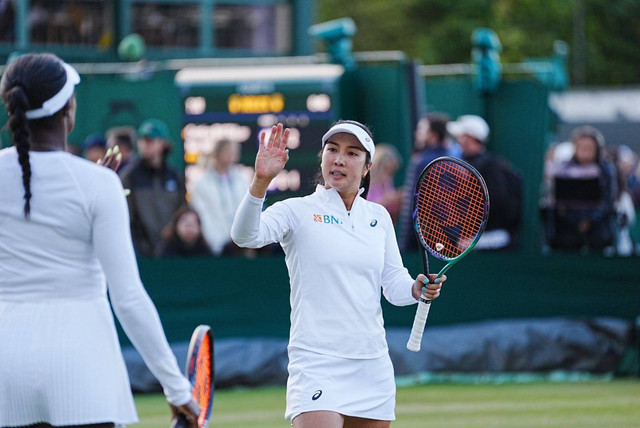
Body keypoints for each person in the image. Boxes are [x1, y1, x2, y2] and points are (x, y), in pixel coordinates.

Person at [0, 54, 198, 427]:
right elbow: (129, 298)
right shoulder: (98, 183)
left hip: (5, 366)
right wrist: (176, 388)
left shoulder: (94, 182)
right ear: (68, 111)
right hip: (81, 365)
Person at [230, 121, 444, 427]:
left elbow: (393, 283)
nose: (339, 159)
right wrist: (260, 182)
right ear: (322, 157)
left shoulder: (378, 217)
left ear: (367, 166)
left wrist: (415, 288)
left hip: (372, 363)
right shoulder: (296, 210)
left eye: (352, 153)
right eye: (332, 150)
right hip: (317, 360)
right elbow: (245, 236)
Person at [447, 114, 523, 250]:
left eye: (460, 135)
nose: (457, 140)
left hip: (491, 235)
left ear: (469, 138)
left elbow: (497, 203)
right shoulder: (469, 163)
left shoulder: (490, 166)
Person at [540, 125, 617, 253]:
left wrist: (589, 220)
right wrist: (575, 220)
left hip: (598, 232)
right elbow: (558, 201)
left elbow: (608, 201)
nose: (586, 152)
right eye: (582, 148)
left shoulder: (606, 171)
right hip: (568, 232)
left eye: (589, 148)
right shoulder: (564, 169)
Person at [120, 118, 186, 256]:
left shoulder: (173, 176)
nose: (145, 145)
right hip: (140, 252)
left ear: (162, 143)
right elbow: (127, 217)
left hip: (171, 253)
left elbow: (181, 212)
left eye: (150, 140)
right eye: (142, 140)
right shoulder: (129, 176)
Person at [398, 113, 462, 251]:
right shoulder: (456, 159)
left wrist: (405, 245)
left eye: (421, 130)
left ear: (433, 135)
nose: (417, 134)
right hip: (453, 238)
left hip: (425, 241)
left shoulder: (421, 162)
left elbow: (411, 205)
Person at [190, 138, 251, 255]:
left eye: (233, 152)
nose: (231, 155)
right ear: (218, 154)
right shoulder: (202, 184)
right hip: (216, 248)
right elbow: (203, 216)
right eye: (228, 151)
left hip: (242, 248)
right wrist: (218, 243)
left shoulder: (243, 181)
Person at [367, 143, 403, 222]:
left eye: (391, 172)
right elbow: (366, 210)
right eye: (386, 170)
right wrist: (387, 200)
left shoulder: (388, 182)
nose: (388, 176)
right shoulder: (366, 183)